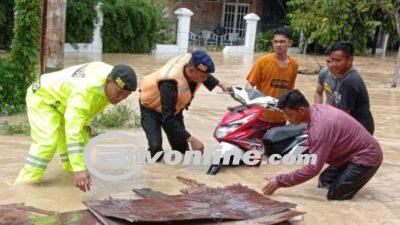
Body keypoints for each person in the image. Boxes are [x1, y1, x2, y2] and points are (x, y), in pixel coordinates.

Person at [15, 62, 137, 192]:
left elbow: (87, 106)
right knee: (47, 143)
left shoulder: (113, 78)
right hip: (43, 98)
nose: (121, 98)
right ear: (107, 82)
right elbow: (74, 131)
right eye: (118, 92)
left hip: (65, 103)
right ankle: (23, 187)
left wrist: (85, 122)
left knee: (83, 143)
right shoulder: (85, 90)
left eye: (126, 95)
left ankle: (68, 182)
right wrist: (79, 170)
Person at [263, 90, 383, 200]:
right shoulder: (315, 109)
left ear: (301, 110)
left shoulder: (319, 128)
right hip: (349, 155)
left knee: (334, 197)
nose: (287, 119)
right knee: (324, 181)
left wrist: (280, 181)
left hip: (367, 157)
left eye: (288, 114)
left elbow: (313, 169)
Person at [139, 50, 230, 158]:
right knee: (155, 148)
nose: (205, 80)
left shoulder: (193, 64)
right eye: (204, 77)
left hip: (174, 109)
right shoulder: (169, 83)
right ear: (191, 70)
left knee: (181, 150)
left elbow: (204, 73)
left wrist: (220, 84)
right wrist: (192, 140)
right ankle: (152, 171)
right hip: (151, 109)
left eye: (207, 76)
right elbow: (167, 119)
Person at [314, 41, 374, 134]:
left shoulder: (349, 82)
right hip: (346, 123)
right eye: (330, 60)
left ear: (350, 60)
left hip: (359, 130)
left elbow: (343, 117)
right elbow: (318, 92)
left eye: (337, 61)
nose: (332, 64)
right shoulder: (333, 74)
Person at [246, 27, 298, 127]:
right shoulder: (263, 61)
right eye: (275, 41)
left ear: (290, 43)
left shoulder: (294, 64)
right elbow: (250, 84)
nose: (278, 45)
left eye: (282, 41)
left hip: (281, 117)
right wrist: (250, 100)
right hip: (260, 116)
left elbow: (290, 91)